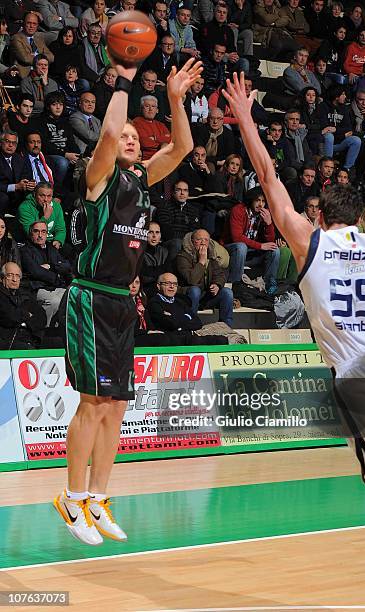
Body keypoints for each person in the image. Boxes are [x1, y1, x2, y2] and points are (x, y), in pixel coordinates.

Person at [223, 72, 365, 562]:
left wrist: (245, 115)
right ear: (364, 218)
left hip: (362, 381)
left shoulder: (310, 243)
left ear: (322, 217)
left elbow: (268, 177)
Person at [54, 57, 202, 546]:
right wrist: (120, 76)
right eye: (126, 136)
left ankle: (97, 497)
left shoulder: (141, 181)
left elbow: (182, 147)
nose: (131, 138)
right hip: (91, 297)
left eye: (136, 137)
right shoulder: (98, 180)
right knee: (92, 403)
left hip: (122, 302)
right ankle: (72, 498)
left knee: (116, 407)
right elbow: (106, 135)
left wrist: (176, 100)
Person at [176, 228, 233, 326]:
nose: (203, 243)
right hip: (188, 296)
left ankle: (226, 327)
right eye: (199, 239)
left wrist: (217, 285)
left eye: (206, 240)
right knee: (195, 290)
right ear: (192, 241)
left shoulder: (211, 256)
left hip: (205, 296)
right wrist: (201, 262)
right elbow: (191, 280)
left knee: (227, 292)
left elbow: (220, 275)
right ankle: (190, 325)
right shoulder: (183, 256)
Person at [20, 220, 72, 325]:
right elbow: (36, 271)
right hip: (38, 287)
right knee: (56, 302)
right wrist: (56, 275)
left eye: (43, 232)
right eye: (36, 231)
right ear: (31, 233)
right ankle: (44, 330)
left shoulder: (51, 248)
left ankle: (61, 331)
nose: (40, 235)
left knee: (71, 298)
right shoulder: (25, 250)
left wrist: (52, 266)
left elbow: (67, 265)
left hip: (56, 286)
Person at [0, 261, 46, 349]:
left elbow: (42, 316)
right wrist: (27, 315)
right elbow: (9, 316)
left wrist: (25, 324)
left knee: (59, 342)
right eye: (10, 275)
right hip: (8, 339)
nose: (14, 279)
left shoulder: (25, 294)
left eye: (17, 276)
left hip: (30, 336)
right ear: (2, 278)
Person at [16, 181, 66, 246]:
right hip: (32, 243)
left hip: (51, 242)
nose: (46, 199)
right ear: (35, 195)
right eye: (42, 196)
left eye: (49, 196)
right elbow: (30, 233)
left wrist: (58, 240)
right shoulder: (25, 208)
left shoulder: (56, 206)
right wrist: (45, 217)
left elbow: (60, 229)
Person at [9, 11, 54, 78]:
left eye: (34, 24)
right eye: (29, 23)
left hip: (41, 74)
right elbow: (25, 58)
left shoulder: (39, 38)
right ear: (23, 23)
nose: (31, 26)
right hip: (25, 75)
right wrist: (42, 57)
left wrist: (35, 55)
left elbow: (51, 57)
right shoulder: (16, 38)